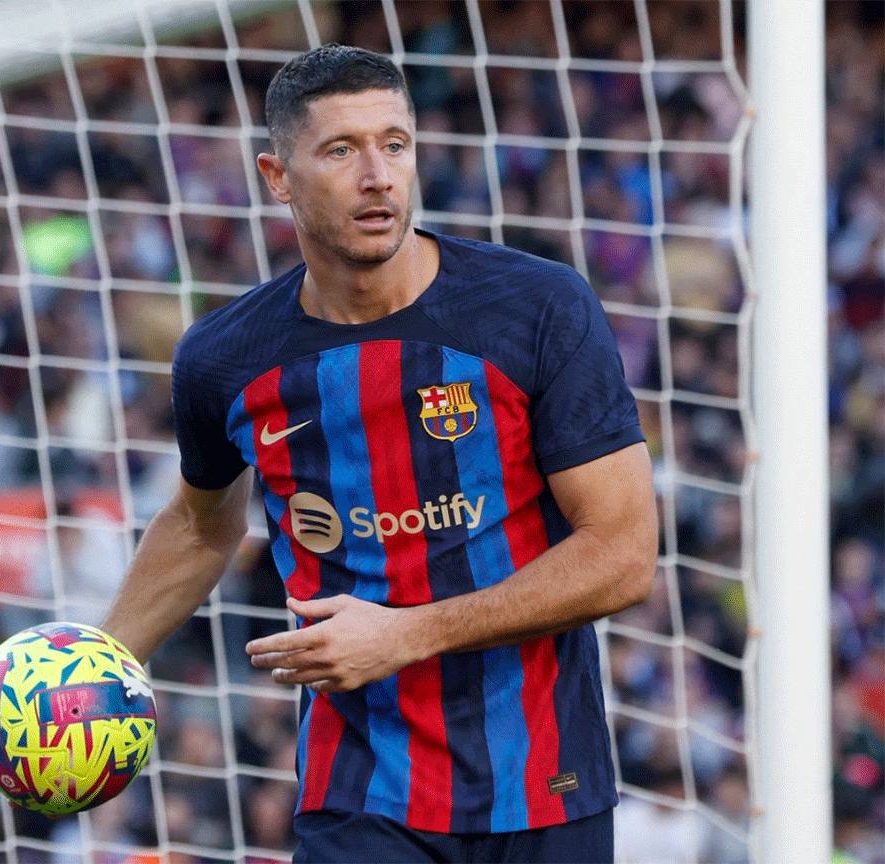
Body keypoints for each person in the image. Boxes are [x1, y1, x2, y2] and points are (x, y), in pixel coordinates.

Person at [100, 43, 658, 864]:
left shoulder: (536, 309)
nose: (378, 176)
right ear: (276, 177)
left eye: (394, 144)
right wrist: (93, 662)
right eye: (341, 150)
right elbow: (198, 524)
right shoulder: (224, 359)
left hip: (547, 783)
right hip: (360, 795)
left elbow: (623, 554)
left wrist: (409, 634)